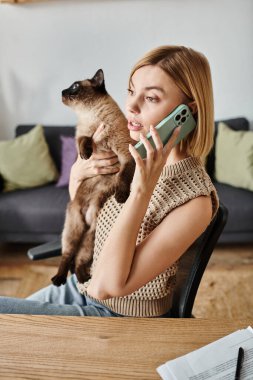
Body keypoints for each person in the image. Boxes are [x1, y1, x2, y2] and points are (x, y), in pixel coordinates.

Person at [0, 45, 219, 317]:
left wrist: (141, 189)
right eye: (130, 91)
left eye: (150, 97)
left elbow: (108, 286)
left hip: (116, 315)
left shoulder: (195, 202)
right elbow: (93, 219)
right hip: (79, 287)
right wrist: (78, 179)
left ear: (188, 111)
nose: (131, 106)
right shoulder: (132, 151)